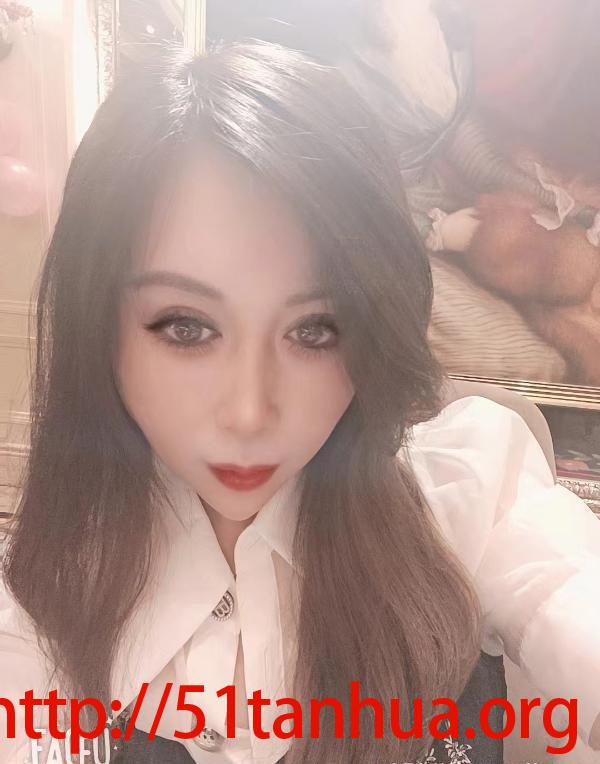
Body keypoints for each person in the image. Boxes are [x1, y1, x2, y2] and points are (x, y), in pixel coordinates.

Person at [1, 41, 599, 764]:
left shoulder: (464, 490)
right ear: (102, 327)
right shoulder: (46, 586)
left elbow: (572, 600)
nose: (250, 413)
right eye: (186, 328)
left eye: (316, 330)